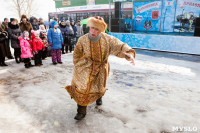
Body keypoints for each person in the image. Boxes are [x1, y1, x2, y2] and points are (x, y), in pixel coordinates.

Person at [64, 16, 135, 120]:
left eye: (97, 29)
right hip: (86, 67)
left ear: (101, 30)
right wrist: (78, 65)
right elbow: (77, 54)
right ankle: (81, 110)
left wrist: (129, 53)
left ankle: (98, 97)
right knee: (82, 87)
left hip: (101, 67)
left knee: (99, 85)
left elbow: (120, 46)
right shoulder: (82, 39)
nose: (93, 31)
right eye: (92, 28)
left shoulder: (108, 39)